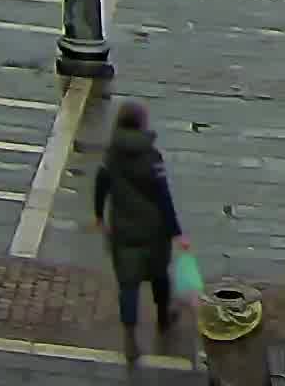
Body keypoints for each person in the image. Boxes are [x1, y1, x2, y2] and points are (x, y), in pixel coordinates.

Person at [90, 100, 186, 371]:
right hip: (153, 231)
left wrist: (99, 216)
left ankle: (130, 338)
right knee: (159, 276)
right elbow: (163, 197)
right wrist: (176, 232)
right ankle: (164, 318)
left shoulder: (111, 156)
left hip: (123, 231)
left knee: (128, 286)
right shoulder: (152, 157)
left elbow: (100, 186)